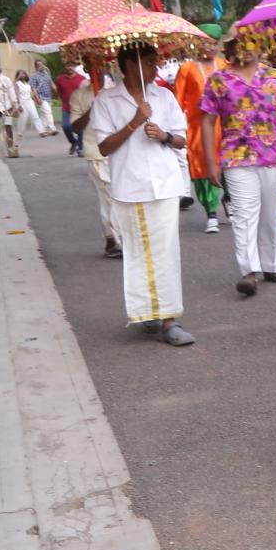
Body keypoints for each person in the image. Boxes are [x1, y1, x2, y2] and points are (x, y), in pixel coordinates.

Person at [88, 43, 195, 346]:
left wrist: (164, 135)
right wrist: (134, 122)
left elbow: (182, 139)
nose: (155, 68)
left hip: (165, 184)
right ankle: (146, 310)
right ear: (129, 65)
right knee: (138, 253)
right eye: (149, 63)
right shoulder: (107, 101)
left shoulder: (164, 96)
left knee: (166, 252)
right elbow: (104, 147)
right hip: (129, 186)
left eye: (156, 62)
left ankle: (170, 319)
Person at [202, 38, 276, 297]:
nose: (245, 49)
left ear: (260, 47)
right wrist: (210, 162)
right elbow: (207, 121)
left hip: (273, 157)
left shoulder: (275, 78)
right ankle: (248, 271)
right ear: (230, 49)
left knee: (271, 214)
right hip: (236, 158)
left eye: (250, 43)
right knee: (245, 215)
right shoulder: (218, 80)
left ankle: (272, 265)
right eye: (239, 44)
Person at [68, 57, 122, 259]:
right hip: (95, 152)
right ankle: (118, 241)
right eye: (93, 66)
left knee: (115, 196)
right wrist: (92, 110)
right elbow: (74, 127)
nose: (98, 69)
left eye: (102, 66)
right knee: (110, 195)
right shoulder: (79, 95)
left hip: (119, 151)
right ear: (88, 69)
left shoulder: (116, 91)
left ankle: (111, 238)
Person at [174, 49, 223, 234]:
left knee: (228, 165)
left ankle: (229, 201)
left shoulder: (225, 65)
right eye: (205, 42)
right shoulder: (187, 68)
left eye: (212, 42)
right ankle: (211, 213)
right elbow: (177, 101)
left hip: (225, 125)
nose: (209, 47)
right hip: (198, 127)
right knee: (202, 167)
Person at [54, 62, 88, 156]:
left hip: (79, 107)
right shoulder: (60, 79)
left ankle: (80, 148)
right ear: (65, 67)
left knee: (80, 128)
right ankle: (73, 142)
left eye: (72, 66)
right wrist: (63, 101)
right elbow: (59, 92)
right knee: (66, 126)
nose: (70, 67)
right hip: (66, 107)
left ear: (75, 67)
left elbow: (85, 92)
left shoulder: (82, 79)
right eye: (68, 65)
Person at [30, 59, 56, 135]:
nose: (41, 66)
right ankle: (52, 128)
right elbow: (33, 88)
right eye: (39, 65)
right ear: (36, 66)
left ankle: (43, 129)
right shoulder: (34, 76)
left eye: (42, 65)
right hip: (41, 97)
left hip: (48, 97)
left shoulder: (46, 74)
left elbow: (52, 83)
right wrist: (37, 98)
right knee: (48, 112)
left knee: (44, 114)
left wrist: (59, 91)